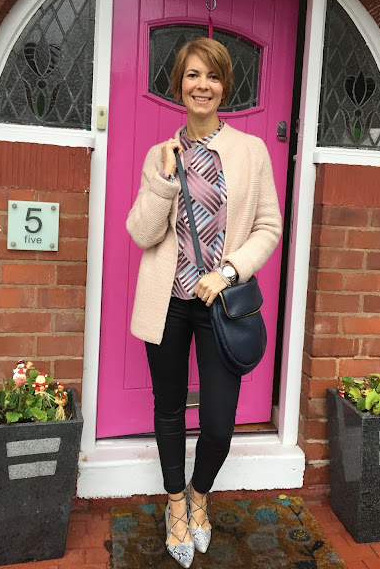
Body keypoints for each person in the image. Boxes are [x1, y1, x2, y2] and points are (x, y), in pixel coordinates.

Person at [126, 38, 282, 567]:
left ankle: (199, 493)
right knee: (169, 408)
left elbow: (268, 226)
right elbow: (141, 232)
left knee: (217, 423)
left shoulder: (251, 152)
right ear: (179, 85)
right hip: (167, 303)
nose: (202, 85)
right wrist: (165, 181)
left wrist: (228, 271)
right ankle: (176, 504)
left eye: (212, 77)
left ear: (224, 87)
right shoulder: (160, 155)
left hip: (220, 305)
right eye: (193, 75)